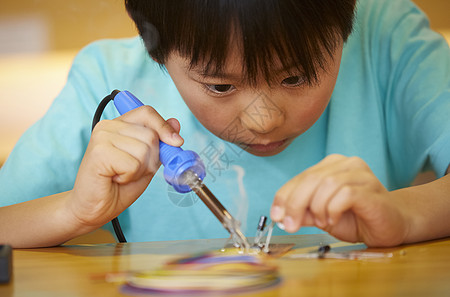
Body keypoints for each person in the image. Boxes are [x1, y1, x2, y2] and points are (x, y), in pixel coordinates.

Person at [0, 0, 449, 249]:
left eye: (294, 77)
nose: (265, 118)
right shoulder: (106, 77)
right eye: (219, 86)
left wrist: (404, 217)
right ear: (158, 53)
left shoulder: (387, 38)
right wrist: (75, 212)